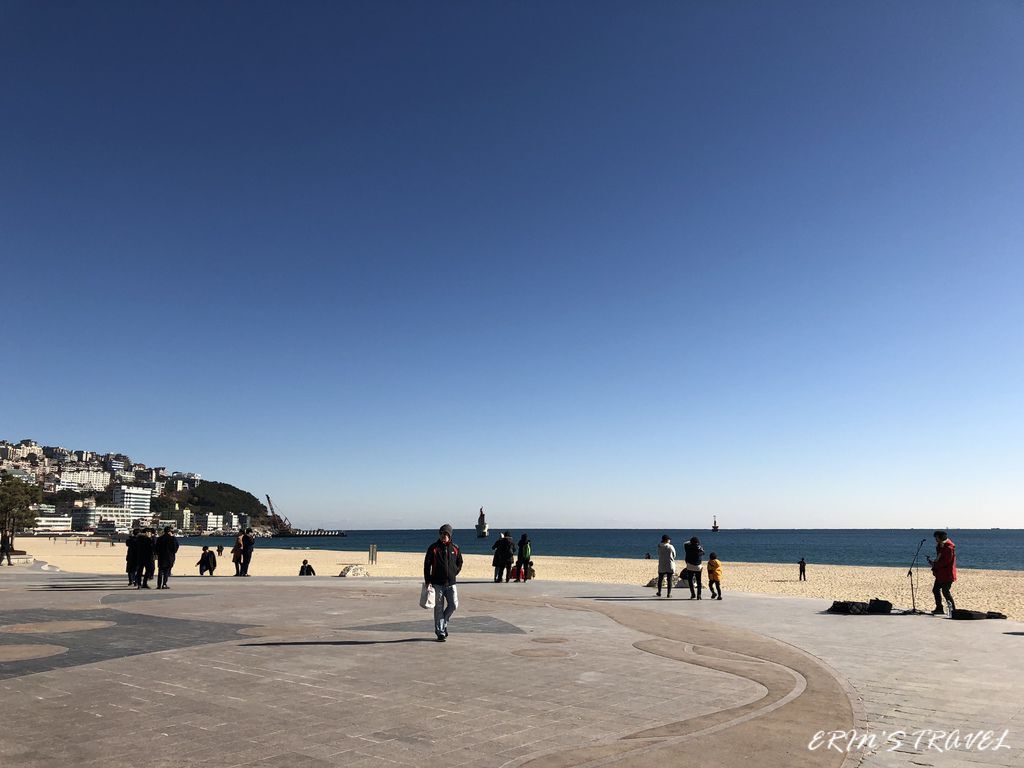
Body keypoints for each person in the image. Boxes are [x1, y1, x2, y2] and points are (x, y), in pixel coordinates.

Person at [423, 523, 463, 642]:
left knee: (453, 605)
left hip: (451, 583)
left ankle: (443, 623)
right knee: (438, 608)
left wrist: (455, 572)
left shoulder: (455, 548)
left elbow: (460, 562)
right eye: (441, 533)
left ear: (450, 535)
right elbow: (427, 565)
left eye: (446, 534)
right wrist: (428, 580)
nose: (443, 536)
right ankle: (440, 632)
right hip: (437, 584)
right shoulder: (433, 548)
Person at [927, 530, 957, 615]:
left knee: (945, 592)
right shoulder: (941, 546)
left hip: (947, 574)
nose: (935, 539)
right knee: (936, 590)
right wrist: (934, 563)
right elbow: (940, 558)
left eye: (936, 537)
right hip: (941, 573)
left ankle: (953, 610)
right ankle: (939, 608)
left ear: (940, 537)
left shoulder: (949, 547)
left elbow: (946, 561)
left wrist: (935, 564)